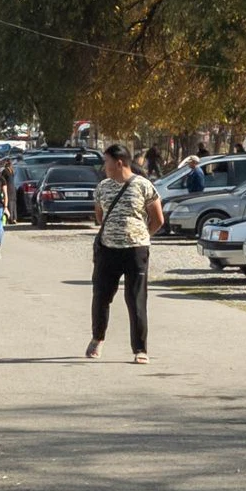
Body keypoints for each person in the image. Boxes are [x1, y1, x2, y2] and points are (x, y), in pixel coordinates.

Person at [84, 143, 160, 363]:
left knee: (136, 299)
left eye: (106, 162)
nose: (103, 166)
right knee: (101, 296)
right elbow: (100, 216)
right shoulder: (103, 187)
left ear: (119, 163)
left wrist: (142, 236)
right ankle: (97, 338)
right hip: (108, 250)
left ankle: (140, 349)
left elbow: (157, 218)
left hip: (136, 251)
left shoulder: (143, 186)